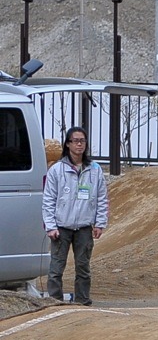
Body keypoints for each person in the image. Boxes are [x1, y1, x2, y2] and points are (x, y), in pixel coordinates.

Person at [42, 127, 108, 306]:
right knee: (56, 268)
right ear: (68, 144)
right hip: (61, 227)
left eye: (82, 141)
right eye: (75, 140)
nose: (79, 144)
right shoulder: (56, 170)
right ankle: (53, 302)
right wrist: (51, 226)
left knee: (83, 268)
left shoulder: (94, 170)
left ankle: (83, 301)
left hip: (84, 228)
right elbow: (48, 200)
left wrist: (100, 223)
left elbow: (102, 198)